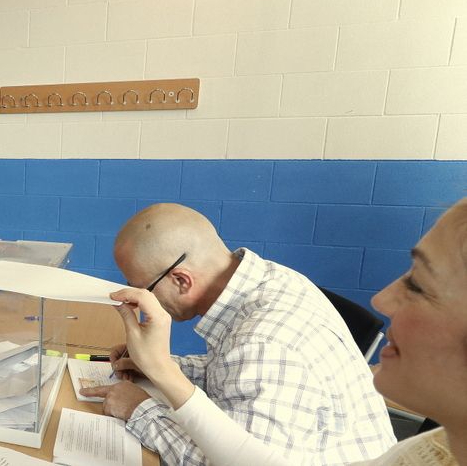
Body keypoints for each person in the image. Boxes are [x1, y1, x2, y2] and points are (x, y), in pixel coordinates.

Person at [106, 198, 467, 465]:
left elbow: (217, 460)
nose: (382, 300)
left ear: (181, 280)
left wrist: (143, 409)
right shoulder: (263, 280)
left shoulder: (265, 340)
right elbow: (236, 376)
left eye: (418, 285)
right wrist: (167, 367)